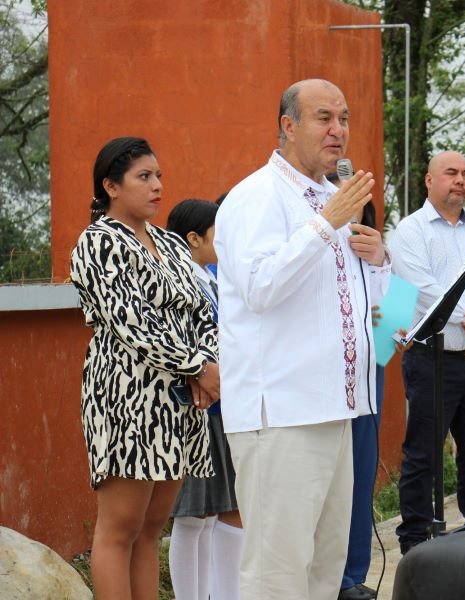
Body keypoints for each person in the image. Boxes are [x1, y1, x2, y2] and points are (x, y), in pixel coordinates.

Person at [214, 79, 389, 599]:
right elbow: (260, 288)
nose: (338, 130)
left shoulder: (335, 200)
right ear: (288, 126)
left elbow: (388, 318)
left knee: (324, 570)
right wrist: (324, 225)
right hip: (283, 414)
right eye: (323, 118)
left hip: (342, 407)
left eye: (344, 117)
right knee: (277, 572)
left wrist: (381, 260)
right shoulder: (255, 198)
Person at [69, 137, 219, 599]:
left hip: (178, 401)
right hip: (126, 396)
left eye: (159, 176)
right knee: (120, 528)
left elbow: (202, 309)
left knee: (152, 527)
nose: (157, 186)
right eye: (144, 177)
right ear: (111, 185)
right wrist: (198, 366)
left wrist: (210, 362)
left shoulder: (171, 244)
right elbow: (131, 320)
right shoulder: (97, 243)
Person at [389, 150, 465, 554]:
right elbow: (421, 288)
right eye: (451, 173)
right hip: (434, 360)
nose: (460, 180)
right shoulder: (411, 230)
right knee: (423, 455)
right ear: (429, 180)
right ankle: (415, 541)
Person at [166, 199, 243, 600]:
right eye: (218, 233)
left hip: (221, 406)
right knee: (193, 514)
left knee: (215, 512)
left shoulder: (211, 277)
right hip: (197, 407)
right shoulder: (182, 280)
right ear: (193, 238)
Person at [340, 199, 384, 600]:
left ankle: (353, 576)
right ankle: (329, 576)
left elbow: (393, 330)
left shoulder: (378, 251)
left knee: (360, 473)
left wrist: (380, 263)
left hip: (369, 373)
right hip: (326, 374)